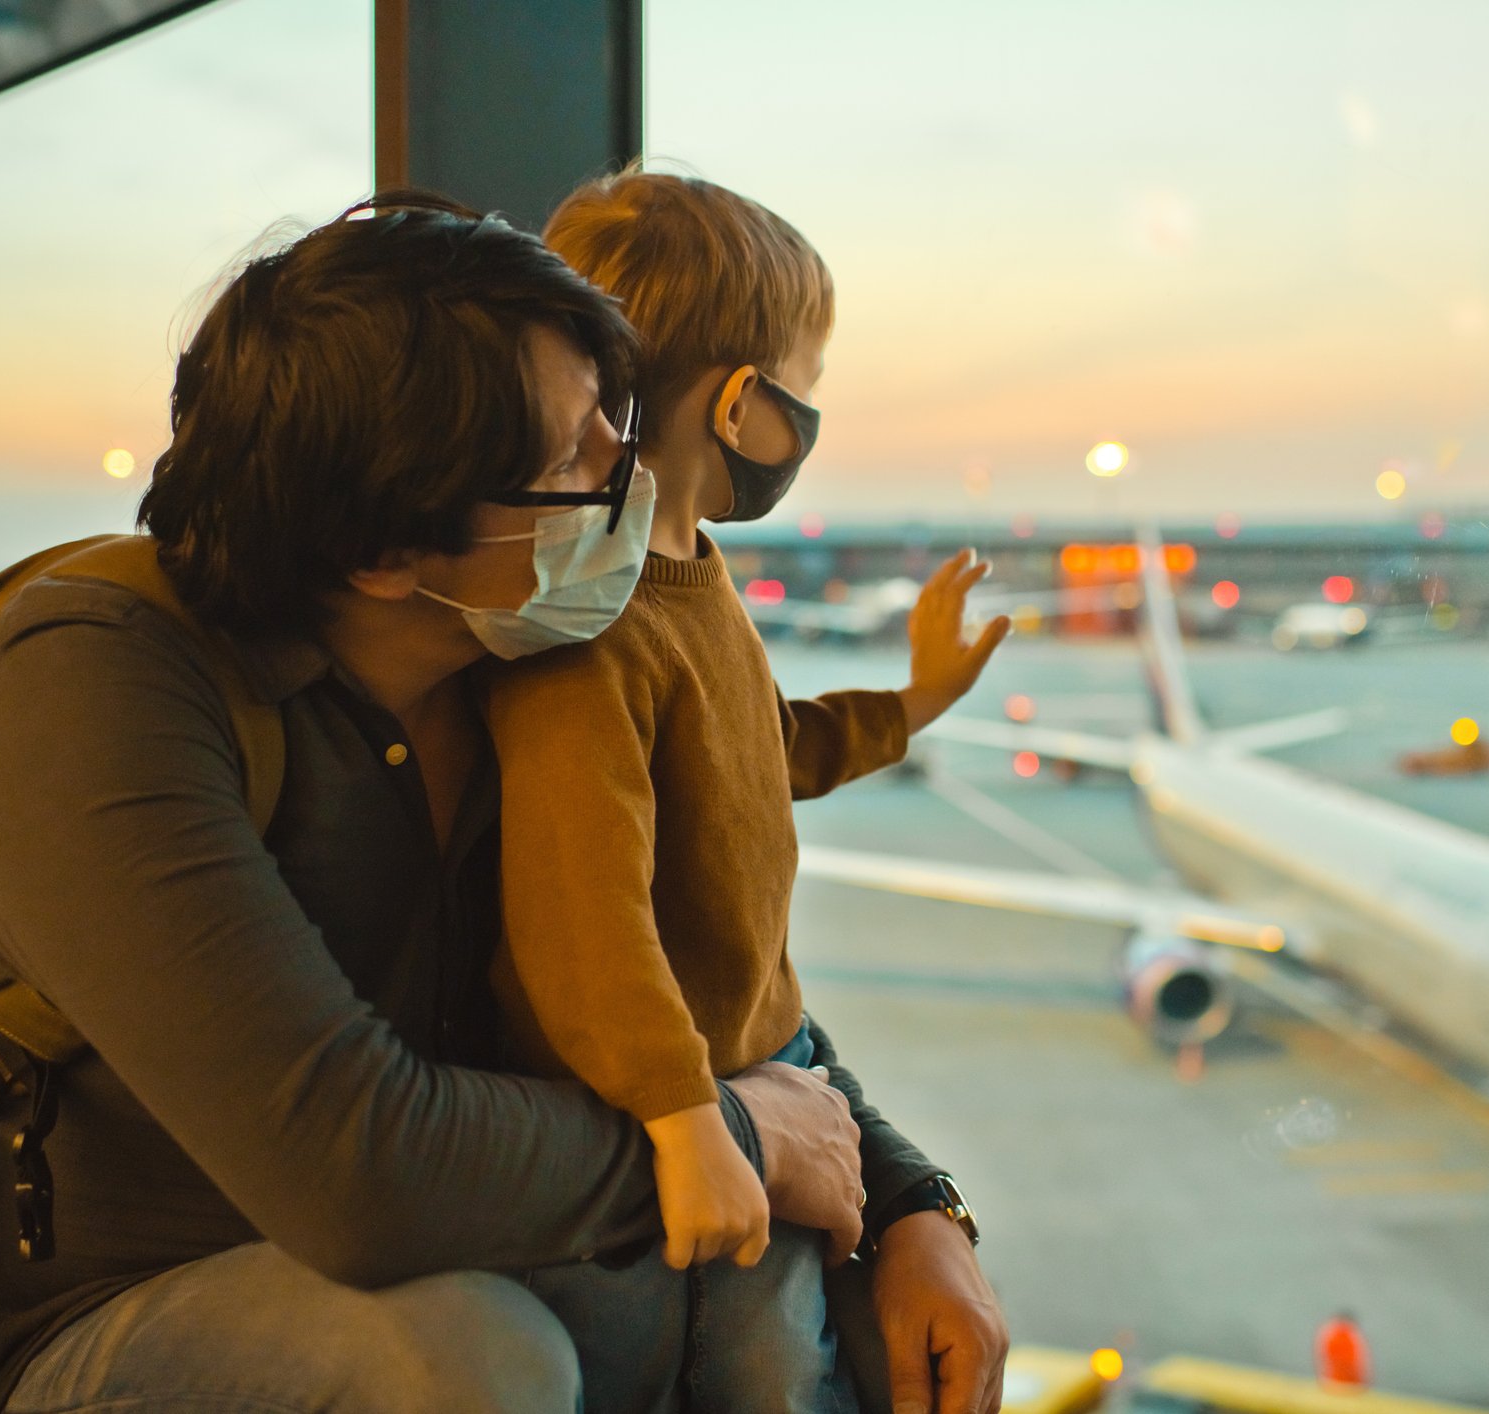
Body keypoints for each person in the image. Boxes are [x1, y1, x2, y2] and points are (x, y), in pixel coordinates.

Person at [0, 192, 1007, 1414]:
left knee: (813, 1322)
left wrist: (913, 1207)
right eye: (571, 459)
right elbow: (354, 1166)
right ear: (388, 548)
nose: (623, 470)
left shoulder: (513, 657)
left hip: (460, 1238)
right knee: (470, 1360)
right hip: (117, 1314)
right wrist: (738, 1142)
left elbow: (716, 986)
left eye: (614, 414)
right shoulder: (97, 682)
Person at [455, 169, 1009, 1412]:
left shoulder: (692, 578)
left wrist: (911, 706)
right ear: (746, 405)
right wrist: (683, 1117)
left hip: (753, 1094)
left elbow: (762, 755)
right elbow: (576, 910)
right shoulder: (590, 631)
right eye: (807, 385)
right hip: (667, 1151)